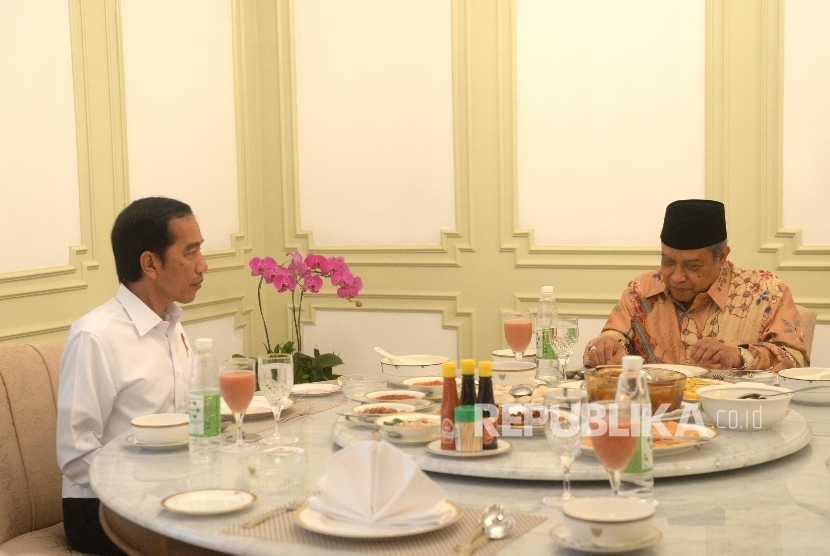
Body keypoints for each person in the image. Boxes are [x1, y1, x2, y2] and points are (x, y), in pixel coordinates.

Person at [57, 197, 207, 555]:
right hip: (100, 507)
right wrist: (150, 487)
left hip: (170, 490)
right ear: (150, 263)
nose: (203, 265)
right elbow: (76, 456)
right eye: (190, 252)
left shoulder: (173, 326)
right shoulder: (95, 336)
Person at [583, 199, 807, 372]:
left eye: (692, 266)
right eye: (668, 262)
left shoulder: (768, 293)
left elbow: (796, 361)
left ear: (721, 257)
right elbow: (611, 338)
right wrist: (602, 348)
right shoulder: (641, 290)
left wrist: (738, 356)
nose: (677, 276)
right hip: (658, 413)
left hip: (736, 416)